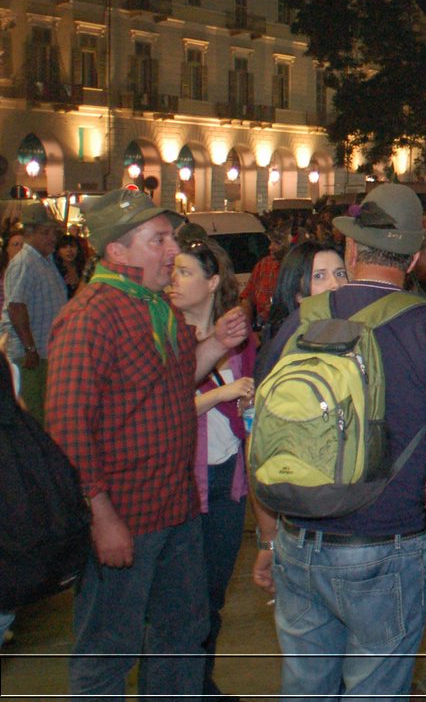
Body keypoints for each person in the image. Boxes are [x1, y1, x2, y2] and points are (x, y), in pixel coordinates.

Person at [252, 183, 426, 700]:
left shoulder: (298, 322)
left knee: (305, 688)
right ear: (415, 258)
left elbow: (260, 436)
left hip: (298, 540)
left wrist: (267, 539)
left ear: (351, 249)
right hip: (384, 545)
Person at [46, 189, 250, 699]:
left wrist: (219, 344)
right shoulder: (90, 316)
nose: (171, 252)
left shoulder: (156, 310)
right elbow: (68, 428)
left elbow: (180, 379)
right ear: (118, 252)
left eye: (171, 239)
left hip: (175, 508)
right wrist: (101, 515)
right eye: (158, 240)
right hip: (126, 515)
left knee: (181, 638)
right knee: (107, 652)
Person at [169, 237, 256, 701]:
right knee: (178, 604)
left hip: (228, 478)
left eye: (184, 271)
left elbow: (249, 402)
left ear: (213, 281)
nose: (174, 280)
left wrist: (250, 400)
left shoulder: (238, 337)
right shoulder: (167, 334)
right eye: (173, 271)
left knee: (212, 600)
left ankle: (201, 684)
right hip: (179, 481)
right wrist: (220, 394)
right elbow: (160, 407)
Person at [1, 203, 66, 419]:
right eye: (45, 232)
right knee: (32, 414)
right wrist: (30, 348)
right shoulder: (25, 262)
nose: (52, 237)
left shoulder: (45, 261)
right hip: (29, 356)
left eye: (53, 232)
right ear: (29, 233)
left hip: (45, 351)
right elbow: (16, 307)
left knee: (45, 412)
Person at [259, 239, 349, 359]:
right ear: (298, 293)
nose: (335, 284)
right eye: (319, 276)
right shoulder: (289, 346)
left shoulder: (353, 332)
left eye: (340, 274)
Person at [54, 231, 89, 298]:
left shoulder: (84, 267)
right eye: (64, 247)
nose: (69, 250)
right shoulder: (54, 268)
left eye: (72, 246)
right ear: (58, 251)